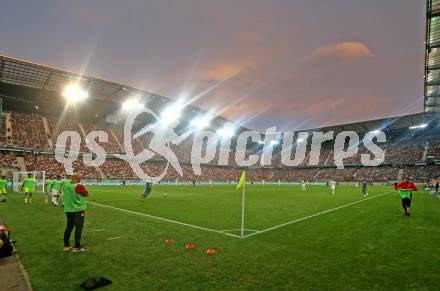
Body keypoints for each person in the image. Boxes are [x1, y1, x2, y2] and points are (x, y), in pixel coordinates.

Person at [63, 173, 89, 252]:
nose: (80, 179)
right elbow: (86, 194)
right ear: (77, 178)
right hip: (78, 210)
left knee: (69, 227)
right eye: (80, 178)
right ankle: (77, 247)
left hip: (68, 210)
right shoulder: (78, 186)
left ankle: (66, 245)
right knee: (79, 228)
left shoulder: (66, 184)